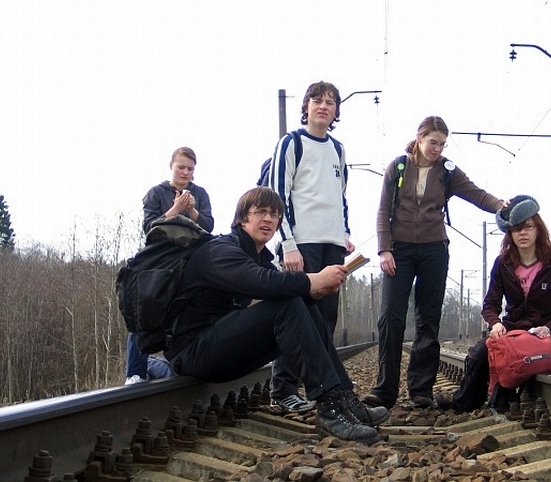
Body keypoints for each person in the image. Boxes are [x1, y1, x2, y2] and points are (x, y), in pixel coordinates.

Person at [163, 186, 389, 442]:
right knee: (287, 303)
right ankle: (330, 409)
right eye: (260, 212)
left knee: (300, 303)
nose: (268, 219)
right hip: (192, 353)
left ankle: (345, 400)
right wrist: (313, 280)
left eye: (274, 214)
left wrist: (315, 292)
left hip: (214, 347)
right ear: (242, 218)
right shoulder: (220, 251)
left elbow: (282, 288)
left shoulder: (254, 255)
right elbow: (262, 282)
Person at [361, 115, 506, 410]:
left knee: (428, 319)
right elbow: (382, 211)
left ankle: (421, 390)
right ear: (419, 138)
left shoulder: (447, 172)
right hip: (399, 250)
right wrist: (384, 250)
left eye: (442, 144)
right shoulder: (397, 167)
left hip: (434, 251)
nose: (437, 149)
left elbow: (476, 194)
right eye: (432, 142)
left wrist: (501, 205)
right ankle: (384, 390)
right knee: (390, 318)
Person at [436, 195, 551, 412]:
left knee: (511, 374)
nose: (522, 233)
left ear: (538, 229)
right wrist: (495, 324)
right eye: (516, 229)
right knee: (478, 354)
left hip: (539, 336)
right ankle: (464, 401)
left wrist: (549, 328)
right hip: (510, 331)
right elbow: (490, 304)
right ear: (510, 233)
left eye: (528, 227)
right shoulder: (503, 263)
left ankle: (504, 400)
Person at [267, 80, 354, 412]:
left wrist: (344, 233)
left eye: (330, 102)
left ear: (336, 111)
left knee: (325, 319)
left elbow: (340, 197)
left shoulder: (338, 149)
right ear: (306, 107)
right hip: (302, 244)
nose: (323, 106)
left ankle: (324, 390)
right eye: (317, 100)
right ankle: (283, 388)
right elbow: (278, 195)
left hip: (333, 245)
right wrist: (288, 244)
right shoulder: (291, 143)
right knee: (297, 316)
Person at [125, 147, 214, 384]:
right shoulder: (155, 193)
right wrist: (176, 209)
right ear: (171, 166)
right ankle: (135, 373)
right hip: (160, 261)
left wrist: (191, 209)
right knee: (144, 311)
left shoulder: (200, 194)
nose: (186, 172)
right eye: (181, 167)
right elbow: (149, 228)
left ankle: (180, 367)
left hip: (190, 261)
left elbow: (208, 227)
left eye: (190, 169)